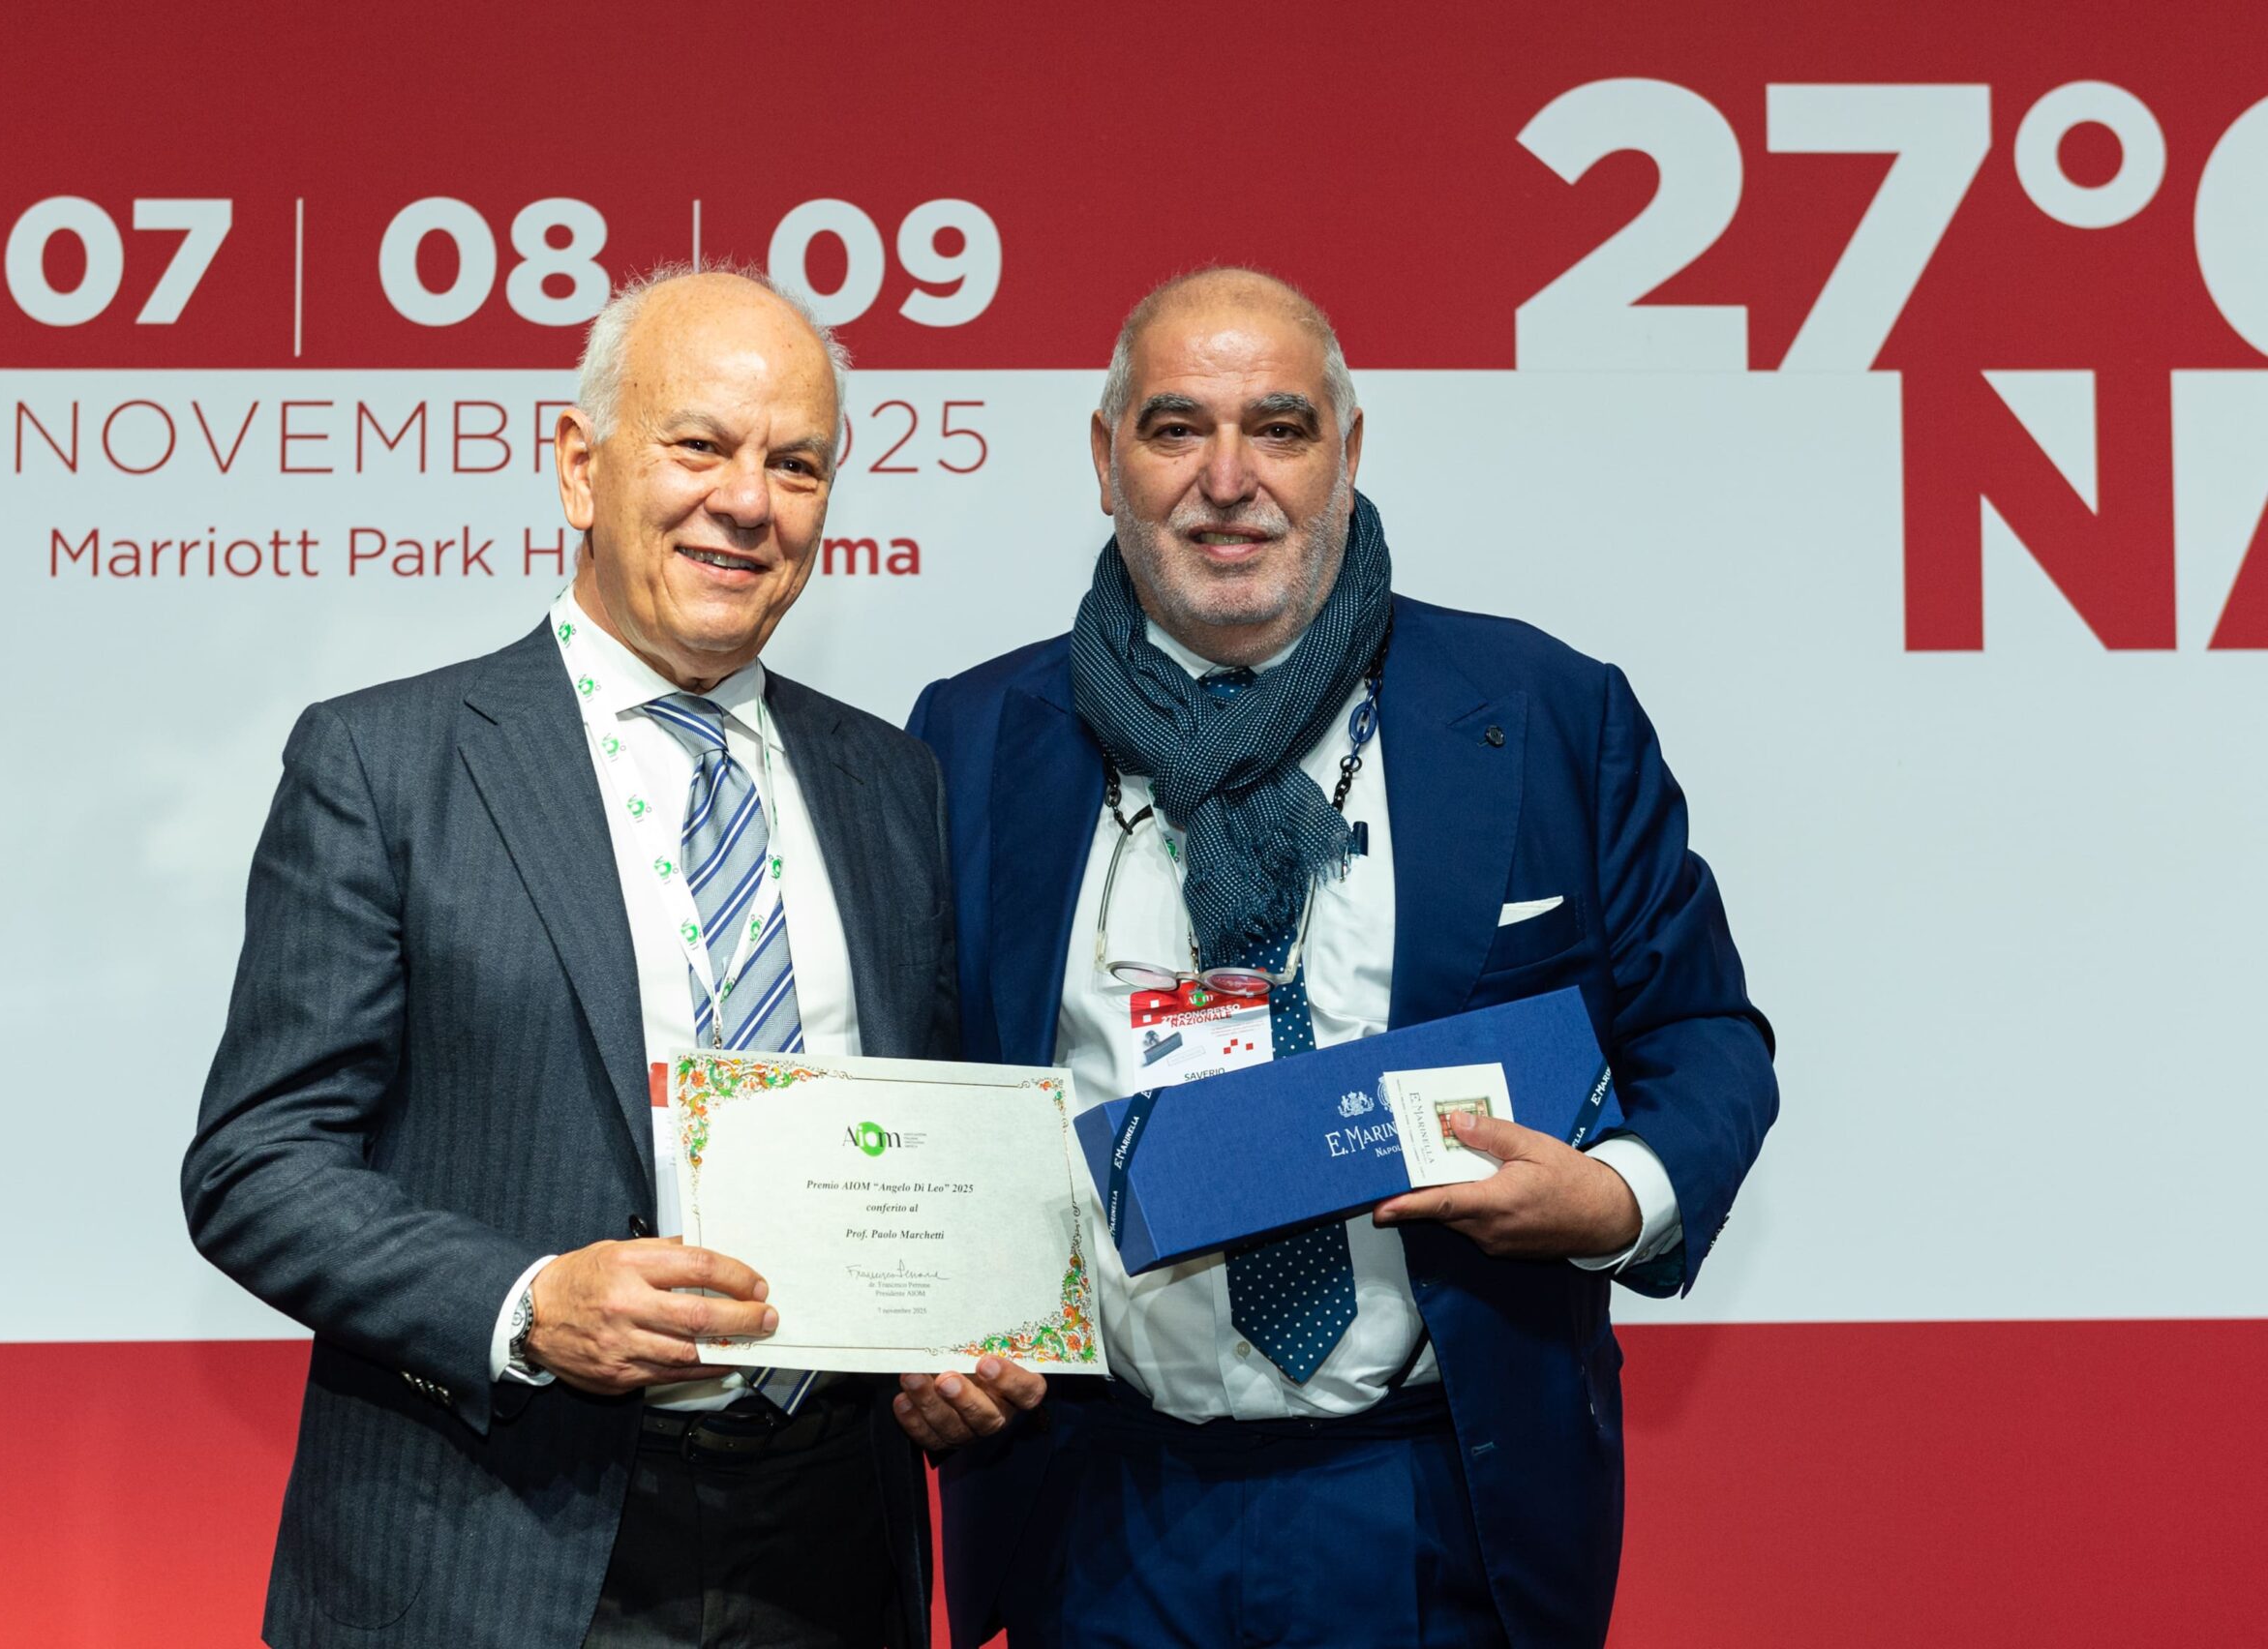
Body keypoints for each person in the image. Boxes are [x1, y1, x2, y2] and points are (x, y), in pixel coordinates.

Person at [907, 268, 1777, 1647]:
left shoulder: (1547, 713)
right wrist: (928, 1322)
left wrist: (1619, 1197)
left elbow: (1705, 1032)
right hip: (1098, 1507)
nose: (1228, 481)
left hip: (1435, 1500)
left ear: (1349, 451)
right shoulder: (971, 740)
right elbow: (918, 1088)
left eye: (1282, 428)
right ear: (1105, 455)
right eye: (1177, 429)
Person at [184, 266, 1041, 1649]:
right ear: (581, 468)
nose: (748, 502)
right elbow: (257, 1166)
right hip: (491, 1546)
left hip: (833, 1551)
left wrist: (953, 1340)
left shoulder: (893, 783)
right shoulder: (384, 764)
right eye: (699, 445)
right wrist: (526, 1306)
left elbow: (920, 1147)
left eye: (797, 464)